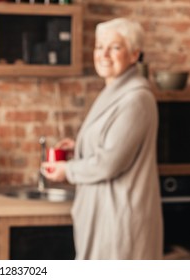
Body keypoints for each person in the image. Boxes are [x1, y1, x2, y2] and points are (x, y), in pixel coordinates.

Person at [42, 18, 163, 260]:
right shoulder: (114, 91)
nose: (104, 54)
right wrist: (80, 147)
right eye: (99, 47)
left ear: (134, 54)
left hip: (119, 218)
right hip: (106, 214)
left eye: (115, 47)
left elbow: (110, 163)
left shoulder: (136, 98)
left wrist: (67, 170)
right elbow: (117, 143)